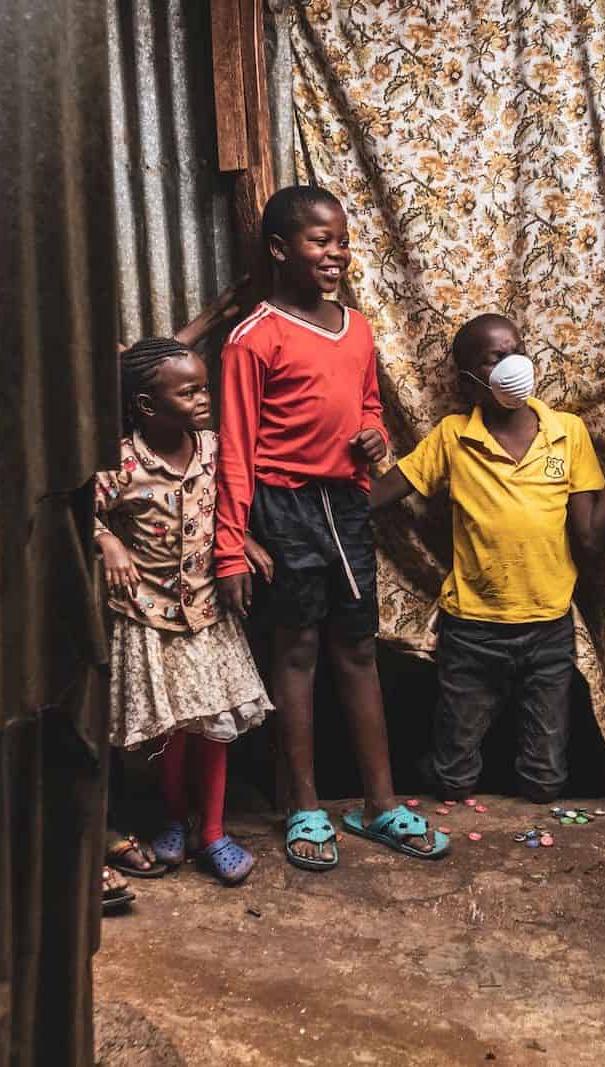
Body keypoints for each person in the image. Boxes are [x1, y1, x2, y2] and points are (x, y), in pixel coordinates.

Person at [214, 185, 447, 870]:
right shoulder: (253, 339)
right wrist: (231, 544)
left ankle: (380, 804)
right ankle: (305, 804)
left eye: (341, 240)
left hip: (345, 508)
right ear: (281, 250)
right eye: (320, 240)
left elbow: (369, 407)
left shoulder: (358, 327)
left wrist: (374, 436)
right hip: (282, 510)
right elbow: (233, 448)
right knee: (295, 653)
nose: (335, 252)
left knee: (358, 650)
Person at [370, 313, 605, 803]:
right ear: (470, 381)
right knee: (452, 779)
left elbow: (591, 537)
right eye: (494, 358)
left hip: (548, 628)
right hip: (472, 630)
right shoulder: (453, 436)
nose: (512, 363)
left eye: (516, 350)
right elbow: (381, 493)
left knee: (546, 782)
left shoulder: (567, 433)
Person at [95, 334, 273, 888]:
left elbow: (231, 504)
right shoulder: (122, 464)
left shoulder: (215, 449)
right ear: (148, 405)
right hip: (153, 617)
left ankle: (213, 831)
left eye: (205, 388)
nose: (203, 399)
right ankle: (174, 819)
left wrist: (240, 542)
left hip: (207, 613)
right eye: (189, 392)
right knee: (173, 730)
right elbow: (78, 511)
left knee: (214, 728)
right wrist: (108, 541)